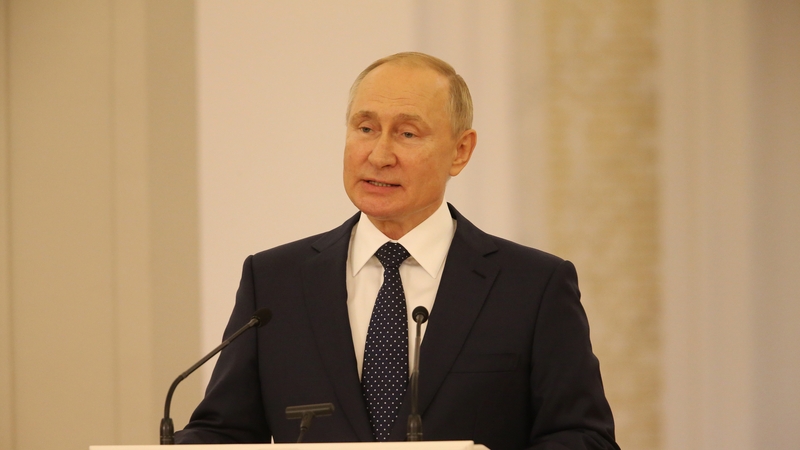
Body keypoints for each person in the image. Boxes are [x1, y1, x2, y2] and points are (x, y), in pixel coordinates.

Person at [176, 52, 619, 450]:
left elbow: (583, 437)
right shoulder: (274, 282)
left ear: (460, 152)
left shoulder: (532, 286)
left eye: (407, 133)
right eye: (365, 128)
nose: (379, 154)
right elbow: (226, 433)